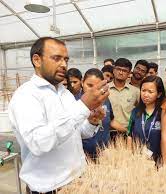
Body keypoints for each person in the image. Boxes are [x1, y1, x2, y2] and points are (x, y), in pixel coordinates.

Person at [8, 37, 109, 193]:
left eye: (66, 59)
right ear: (37, 60)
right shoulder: (26, 96)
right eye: (56, 58)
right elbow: (39, 143)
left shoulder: (64, 94)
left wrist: (91, 122)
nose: (63, 64)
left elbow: (77, 133)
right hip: (50, 187)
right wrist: (83, 106)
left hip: (78, 179)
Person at [82, 68, 127, 159]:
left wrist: (128, 130)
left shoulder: (105, 100)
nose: (93, 90)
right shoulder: (75, 103)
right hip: (83, 156)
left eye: (97, 86)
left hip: (105, 154)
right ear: (82, 82)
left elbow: (111, 121)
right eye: (89, 85)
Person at [127, 76, 165, 164]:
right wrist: (129, 156)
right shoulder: (135, 111)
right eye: (143, 90)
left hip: (159, 161)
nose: (145, 94)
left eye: (150, 92)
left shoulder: (163, 113)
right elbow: (129, 135)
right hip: (137, 160)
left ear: (159, 94)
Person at [109, 58, 140, 139]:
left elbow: (140, 111)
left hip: (127, 133)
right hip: (107, 132)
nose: (121, 72)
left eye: (124, 70)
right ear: (113, 70)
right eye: (118, 69)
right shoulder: (105, 89)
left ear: (129, 73)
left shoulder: (135, 92)